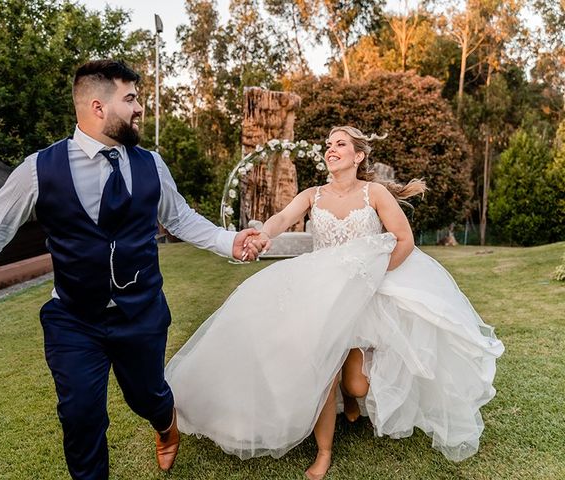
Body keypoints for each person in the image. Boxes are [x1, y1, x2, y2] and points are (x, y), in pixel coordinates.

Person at [0, 59, 263, 480]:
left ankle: (165, 422)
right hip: (73, 318)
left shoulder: (151, 164)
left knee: (147, 396)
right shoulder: (39, 169)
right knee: (80, 415)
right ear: (98, 107)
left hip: (141, 313)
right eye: (131, 99)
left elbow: (180, 218)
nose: (140, 108)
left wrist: (228, 240)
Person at [164, 126, 504, 479]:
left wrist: (374, 280)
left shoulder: (376, 194)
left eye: (340, 144)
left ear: (358, 156)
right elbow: (282, 218)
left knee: (356, 384)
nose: (331, 149)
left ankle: (351, 395)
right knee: (321, 371)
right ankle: (324, 451)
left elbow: (404, 240)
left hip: (367, 290)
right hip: (320, 292)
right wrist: (264, 234)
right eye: (328, 145)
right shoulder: (313, 195)